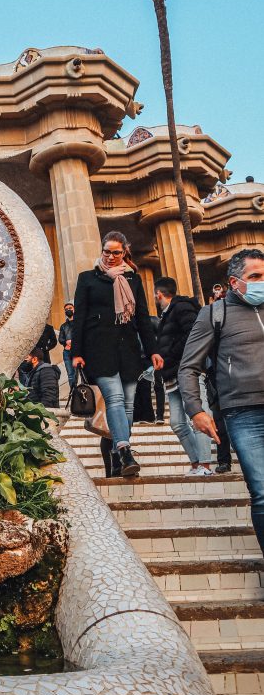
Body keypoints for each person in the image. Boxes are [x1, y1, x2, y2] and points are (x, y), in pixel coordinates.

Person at [179, 248, 264, 554]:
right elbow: (189, 367)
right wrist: (195, 410)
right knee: (263, 493)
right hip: (242, 412)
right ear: (234, 282)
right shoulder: (214, 313)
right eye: (254, 277)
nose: (261, 283)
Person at [71, 230, 162, 477]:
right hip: (99, 349)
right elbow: (78, 317)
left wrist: (153, 350)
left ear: (124, 253)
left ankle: (116, 456)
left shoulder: (133, 279)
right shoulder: (88, 278)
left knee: (129, 407)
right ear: (102, 251)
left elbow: (142, 317)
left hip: (129, 350)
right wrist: (76, 352)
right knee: (115, 399)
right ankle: (124, 450)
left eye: (116, 252)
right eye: (107, 252)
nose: (111, 256)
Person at [154, 277, 212, 476]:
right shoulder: (166, 314)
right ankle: (196, 463)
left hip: (188, 370)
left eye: (155, 295)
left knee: (198, 416)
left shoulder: (181, 308)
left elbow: (192, 335)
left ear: (159, 294)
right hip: (171, 373)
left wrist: (169, 354)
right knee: (177, 422)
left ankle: (205, 465)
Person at [58, 303, 76, 388]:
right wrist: (66, 342)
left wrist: (74, 341)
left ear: (74, 309)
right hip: (67, 352)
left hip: (78, 351)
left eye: (70, 308)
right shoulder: (63, 326)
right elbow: (60, 339)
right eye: (66, 309)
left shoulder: (79, 323)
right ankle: (73, 393)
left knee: (81, 374)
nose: (68, 310)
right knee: (70, 375)